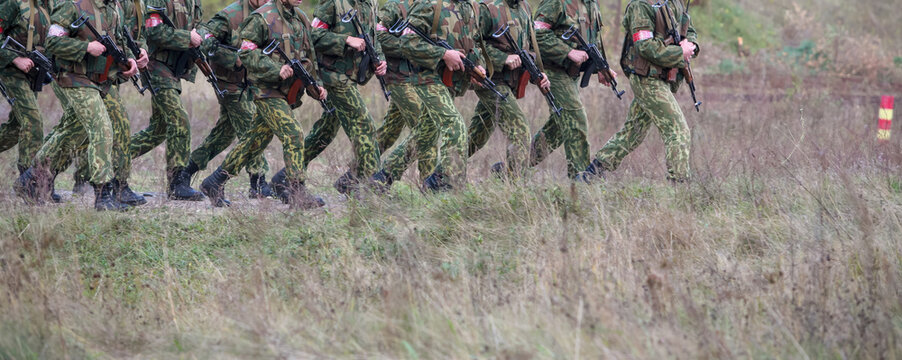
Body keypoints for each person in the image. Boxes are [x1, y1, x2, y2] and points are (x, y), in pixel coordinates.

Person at [200, 0, 326, 209]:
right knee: (293, 134)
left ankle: (215, 181)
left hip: (287, 91)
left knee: (253, 142)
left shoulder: (301, 17)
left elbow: (309, 55)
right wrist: (274, 69)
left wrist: (317, 85)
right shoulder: (260, 18)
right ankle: (296, 190)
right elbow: (246, 53)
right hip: (265, 90)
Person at [15, 0, 140, 211]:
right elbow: (52, 43)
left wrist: (131, 59)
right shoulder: (73, 5)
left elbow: (119, 42)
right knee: (101, 127)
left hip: (101, 79)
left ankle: (32, 178)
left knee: (74, 130)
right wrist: (86, 47)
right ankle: (103, 193)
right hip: (73, 77)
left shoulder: (115, 8)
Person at [579, 0, 697, 183]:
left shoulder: (675, 2)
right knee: (678, 130)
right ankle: (680, 186)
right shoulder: (641, 6)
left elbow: (688, 29)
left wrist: (692, 46)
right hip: (646, 78)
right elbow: (644, 46)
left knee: (633, 132)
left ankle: (591, 173)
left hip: (661, 77)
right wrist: (678, 53)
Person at [392, 0, 488, 191]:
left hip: (451, 80)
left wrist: (477, 66)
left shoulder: (470, 6)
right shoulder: (428, 4)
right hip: (427, 76)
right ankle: (447, 185)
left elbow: (473, 42)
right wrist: (442, 54)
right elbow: (406, 42)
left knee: (425, 135)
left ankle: (383, 177)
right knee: (455, 126)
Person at [181, 0, 273, 199]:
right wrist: (234, 60)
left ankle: (185, 172)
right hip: (228, 83)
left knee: (223, 135)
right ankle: (258, 182)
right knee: (251, 127)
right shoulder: (231, 14)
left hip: (248, 83)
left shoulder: (267, 14)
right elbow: (204, 39)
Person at [301, 0, 386, 195]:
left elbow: (373, 36)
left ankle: (288, 174)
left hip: (350, 74)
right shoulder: (334, 3)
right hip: (333, 75)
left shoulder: (371, 3)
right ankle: (373, 186)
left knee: (326, 131)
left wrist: (380, 59)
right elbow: (311, 35)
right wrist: (346, 39)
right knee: (363, 125)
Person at [128, 0, 205, 201]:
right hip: (155, 66)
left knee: (158, 130)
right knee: (179, 119)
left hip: (173, 70)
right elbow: (152, 32)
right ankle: (177, 183)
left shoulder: (194, 2)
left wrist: (199, 35)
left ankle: (111, 159)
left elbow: (200, 26)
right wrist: (187, 37)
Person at [529, 0, 614, 179]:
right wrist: (567, 52)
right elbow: (537, 33)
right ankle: (581, 177)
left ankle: (515, 164)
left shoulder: (592, 4)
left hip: (572, 73)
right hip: (554, 70)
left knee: (559, 127)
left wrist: (601, 67)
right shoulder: (557, 2)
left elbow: (592, 39)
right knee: (575, 118)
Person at [467, 0, 549, 178]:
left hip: (511, 82)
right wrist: (502, 58)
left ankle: (440, 175)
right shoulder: (487, 7)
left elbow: (530, 45)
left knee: (476, 137)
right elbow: (471, 42)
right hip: (491, 80)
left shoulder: (525, 7)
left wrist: (540, 73)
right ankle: (514, 184)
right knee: (519, 131)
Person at [366, 0, 437, 189]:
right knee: (426, 129)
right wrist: (408, 47)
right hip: (398, 78)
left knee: (388, 133)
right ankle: (428, 183)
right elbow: (377, 36)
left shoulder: (427, 6)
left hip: (417, 78)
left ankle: (354, 174)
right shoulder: (394, 7)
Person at [0, 0, 56, 200]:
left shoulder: (46, 5)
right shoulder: (12, 4)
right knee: (33, 120)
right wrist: (15, 59)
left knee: (16, 129)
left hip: (32, 72)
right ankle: (29, 183)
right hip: (10, 70)